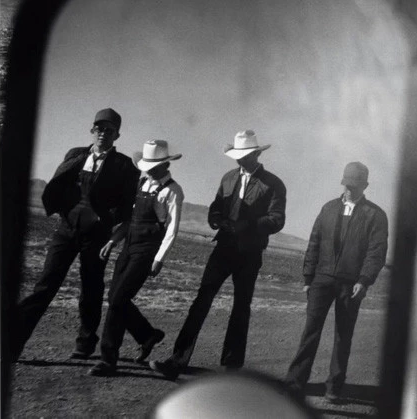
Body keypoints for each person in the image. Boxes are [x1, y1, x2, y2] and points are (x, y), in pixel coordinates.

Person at [150, 130, 286, 379]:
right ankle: (176, 361)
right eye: (238, 155)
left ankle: (231, 369)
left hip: (250, 253)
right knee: (201, 301)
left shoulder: (274, 184)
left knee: (240, 307)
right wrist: (214, 218)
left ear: (256, 153)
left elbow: (277, 220)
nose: (239, 160)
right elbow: (216, 206)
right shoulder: (228, 178)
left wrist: (250, 225)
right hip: (223, 248)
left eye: (245, 155)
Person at [11, 108, 139, 362]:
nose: (103, 133)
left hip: (96, 237)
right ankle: (12, 342)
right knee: (45, 286)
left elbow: (127, 209)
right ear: (92, 130)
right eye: (99, 128)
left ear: (117, 135)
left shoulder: (125, 166)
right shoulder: (76, 155)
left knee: (91, 289)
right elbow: (59, 183)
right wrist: (60, 210)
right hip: (66, 231)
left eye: (109, 130)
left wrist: (110, 231)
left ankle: (85, 342)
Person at [284, 162, 389, 404]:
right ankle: (294, 384)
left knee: (343, 336)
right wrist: (308, 278)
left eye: (354, 185)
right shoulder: (328, 208)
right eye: (346, 184)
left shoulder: (375, 215)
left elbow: (377, 251)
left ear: (365, 185)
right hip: (321, 280)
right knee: (310, 333)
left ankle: (334, 387)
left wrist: (364, 281)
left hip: (351, 285)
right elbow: (314, 243)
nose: (349, 189)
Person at [88, 140, 184, 376]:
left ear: (165, 164)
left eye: (154, 165)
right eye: (147, 165)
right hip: (129, 245)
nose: (149, 169)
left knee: (119, 298)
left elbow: (172, 228)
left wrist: (159, 259)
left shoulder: (172, 191)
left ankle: (108, 359)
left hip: (147, 251)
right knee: (114, 297)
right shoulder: (142, 184)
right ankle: (147, 335)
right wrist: (114, 240)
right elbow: (131, 219)